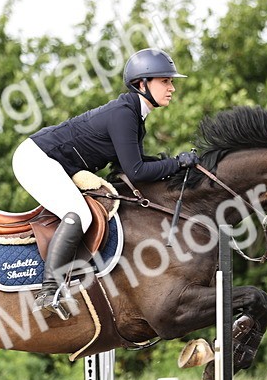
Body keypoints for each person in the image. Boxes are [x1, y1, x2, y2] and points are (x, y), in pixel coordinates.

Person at [12, 48, 200, 318]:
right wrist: (178, 163)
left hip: (56, 162)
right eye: (165, 81)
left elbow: (128, 167)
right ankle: (49, 292)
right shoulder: (124, 114)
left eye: (170, 82)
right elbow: (136, 171)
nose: (171, 88)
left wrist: (174, 166)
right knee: (79, 215)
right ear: (141, 84)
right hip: (36, 159)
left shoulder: (135, 116)